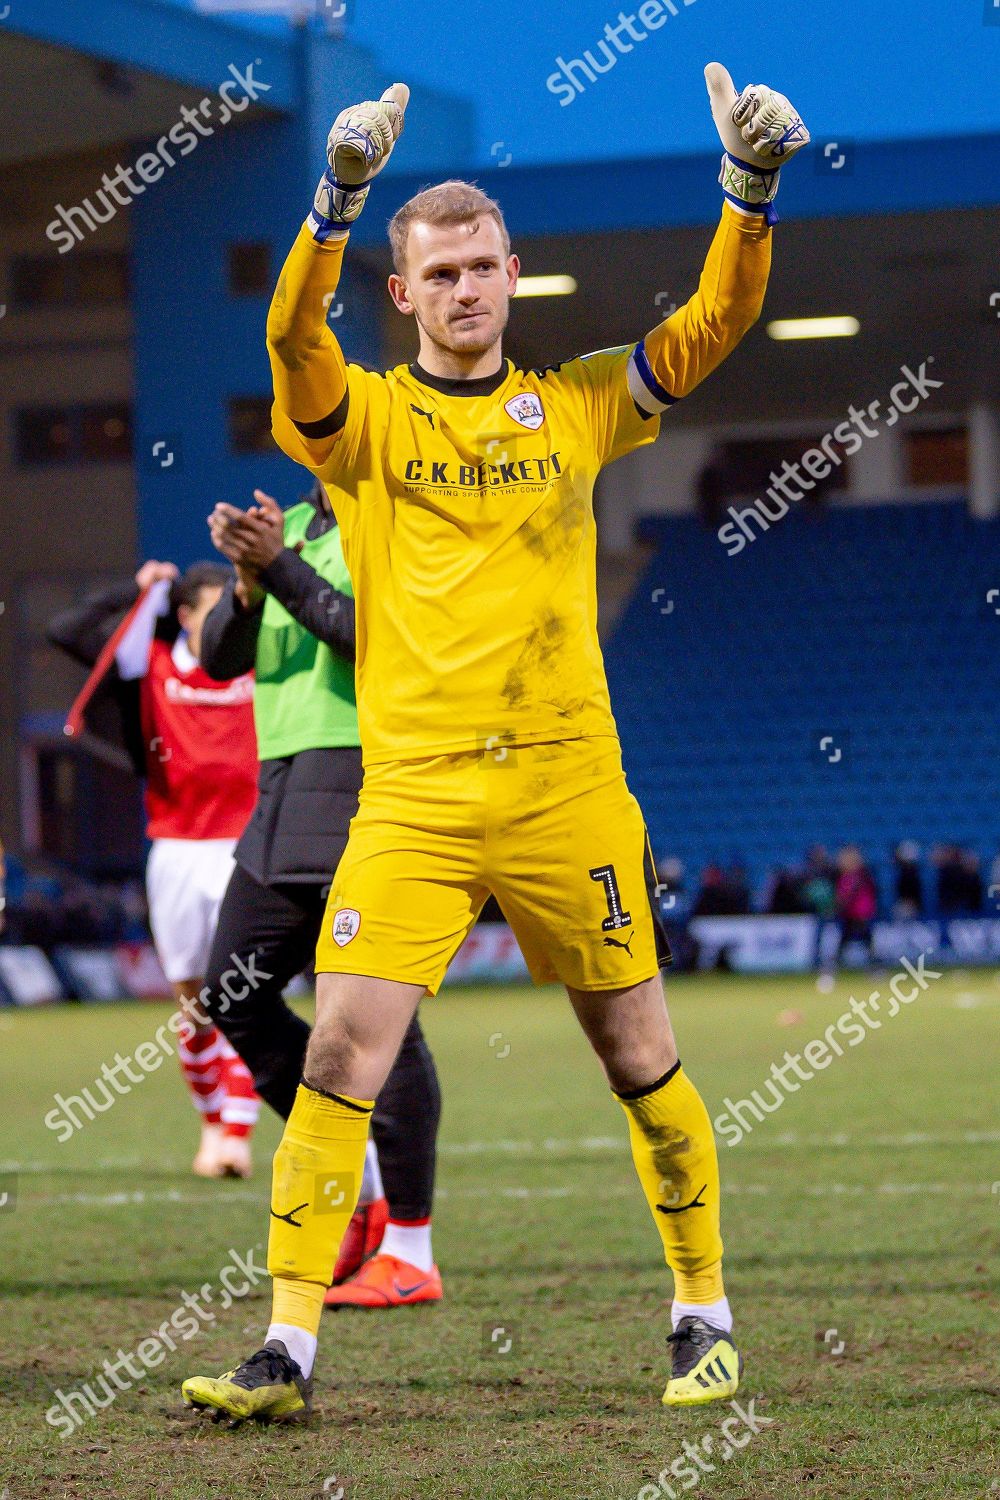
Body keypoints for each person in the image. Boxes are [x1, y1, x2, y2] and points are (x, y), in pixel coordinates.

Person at [182, 61, 810, 1421]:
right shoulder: (364, 426)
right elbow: (293, 344)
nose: (468, 289)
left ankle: (702, 1310)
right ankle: (286, 1346)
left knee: (637, 1054)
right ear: (402, 294)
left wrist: (747, 193)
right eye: (442, 273)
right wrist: (334, 202)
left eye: (485, 267)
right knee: (342, 1057)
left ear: (513, 275)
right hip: (410, 801)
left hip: (569, 793)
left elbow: (716, 320)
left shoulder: (580, 403)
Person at [198, 479, 443, 1305]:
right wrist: (245, 582)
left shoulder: (399, 517)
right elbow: (216, 658)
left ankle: (410, 1248)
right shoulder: (291, 528)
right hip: (280, 789)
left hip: (368, 778)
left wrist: (281, 569)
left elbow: (366, 632)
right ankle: (363, 1172)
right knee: (232, 990)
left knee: (378, 1016)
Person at [47, 562, 261, 1177]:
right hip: (173, 848)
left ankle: (238, 1137)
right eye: (214, 613)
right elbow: (67, 631)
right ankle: (211, 1125)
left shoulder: (253, 660)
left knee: (245, 990)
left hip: (243, 847)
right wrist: (138, 589)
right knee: (193, 1006)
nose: (227, 625)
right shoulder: (153, 661)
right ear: (187, 614)